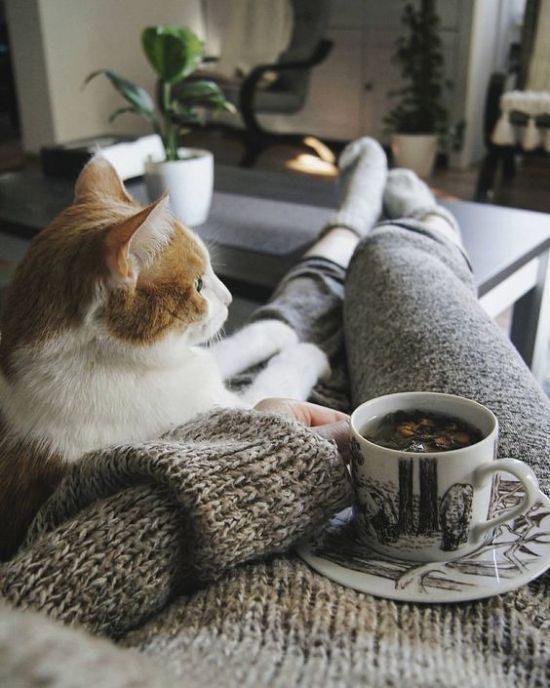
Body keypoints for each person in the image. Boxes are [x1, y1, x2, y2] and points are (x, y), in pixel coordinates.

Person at [1, 139, 548, 687]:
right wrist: (272, 446)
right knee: (394, 263)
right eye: (199, 282)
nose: (221, 293)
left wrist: (267, 442)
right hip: (498, 583)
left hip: (266, 499)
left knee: (301, 306)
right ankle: (418, 225)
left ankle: (347, 233)